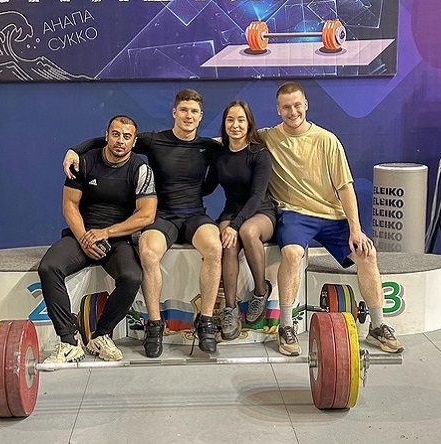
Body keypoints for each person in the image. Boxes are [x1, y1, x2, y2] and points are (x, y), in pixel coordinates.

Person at [63, 89, 222, 357]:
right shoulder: (153, 140)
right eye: (184, 110)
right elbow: (111, 141)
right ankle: (155, 324)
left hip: (195, 215)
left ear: (201, 116)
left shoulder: (209, 147)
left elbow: (241, 148)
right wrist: (74, 151)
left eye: (194, 111)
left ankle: (205, 321)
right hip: (162, 217)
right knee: (147, 253)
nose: (188, 115)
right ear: (174, 112)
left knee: (215, 249)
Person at [259, 82, 405, 356]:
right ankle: (286, 326)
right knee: (291, 254)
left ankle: (377, 326)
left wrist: (356, 230)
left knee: (367, 254)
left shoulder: (327, 140)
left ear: (306, 104)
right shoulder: (267, 138)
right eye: (286, 107)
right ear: (278, 109)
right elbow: (232, 139)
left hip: (331, 215)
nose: (293, 111)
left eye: (297, 105)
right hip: (294, 215)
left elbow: (345, 188)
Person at [39, 115, 157, 363]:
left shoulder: (141, 170)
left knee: (132, 277)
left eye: (127, 136)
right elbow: (69, 205)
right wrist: (85, 238)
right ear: (106, 136)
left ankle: (101, 335)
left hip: (116, 240)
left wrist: (106, 233)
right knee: (49, 268)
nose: (120, 140)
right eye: (116, 134)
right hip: (81, 235)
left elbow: (147, 215)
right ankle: (68, 341)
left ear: (134, 142)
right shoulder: (84, 162)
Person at [203, 100, 276, 340]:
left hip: (261, 212)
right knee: (228, 243)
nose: (235, 125)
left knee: (246, 231)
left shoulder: (259, 154)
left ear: (249, 124)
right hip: (231, 212)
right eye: (230, 120)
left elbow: (257, 195)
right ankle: (230, 309)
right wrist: (178, 189)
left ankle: (260, 292)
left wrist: (235, 226)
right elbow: (207, 187)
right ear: (224, 124)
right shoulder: (219, 154)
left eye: (241, 120)